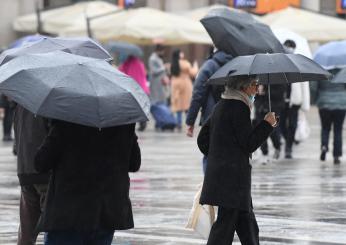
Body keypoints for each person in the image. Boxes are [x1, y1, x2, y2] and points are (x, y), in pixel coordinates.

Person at [197, 76, 276, 245]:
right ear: (243, 87)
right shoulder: (239, 107)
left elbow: (202, 139)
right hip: (234, 180)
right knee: (224, 229)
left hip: (227, 178)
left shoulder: (221, 105)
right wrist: (267, 125)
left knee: (247, 224)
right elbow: (249, 143)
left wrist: (219, 155)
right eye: (254, 85)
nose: (257, 89)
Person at [34, 120, 141, 245]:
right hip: (105, 212)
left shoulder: (67, 121)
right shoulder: (122, 122)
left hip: (68, 213)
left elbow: (41, 163)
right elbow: (134, 164)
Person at [185, 49, 233, 172]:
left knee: (210, 153)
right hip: (233, 116)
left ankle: (209, 186)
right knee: (229, 154)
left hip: (211, 117)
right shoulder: (237, 63)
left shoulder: (209, 65)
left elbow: (198, 94)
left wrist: (190, 121)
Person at [13, 105, 50, 245]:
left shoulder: (23, 101)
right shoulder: (51, 105)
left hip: (25, 170)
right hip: (46, 174)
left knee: (26, 232)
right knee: (54, 227)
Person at [281, 39, 310, 159]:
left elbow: (305, 85)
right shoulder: (280, 63)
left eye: (290, 47)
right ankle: (288, 138)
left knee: (293, 125)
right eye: (287, 46)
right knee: (281, 125)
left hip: (295, 100)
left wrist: (305, 104)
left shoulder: (299, 64)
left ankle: (288, 148)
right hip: (282, 101)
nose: (289, 49)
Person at [310, 69, 346, 164]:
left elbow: (313, 87)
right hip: (341, 103)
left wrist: (315, 100)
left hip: (324, 103)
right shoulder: (343, 71)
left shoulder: (321, 71)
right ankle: (337, 155)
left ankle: (324, 146)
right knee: (338, 130)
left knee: (325, 128)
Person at [254, 83, 286, 163]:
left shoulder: (278, 79)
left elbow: (280, 93)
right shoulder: (258, 79)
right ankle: (264, 152)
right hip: (260, 108)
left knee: (272, 130)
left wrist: (266, 91)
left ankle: (277, 146)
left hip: (274, 107)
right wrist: (257, 90)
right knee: (261, 130)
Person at [119, 55, 150, 131]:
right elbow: (144, 74)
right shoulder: (140, 63)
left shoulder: (127, 63)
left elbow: (121, 72)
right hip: (142, 87)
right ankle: (143, 122)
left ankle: (131, 123)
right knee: (141, 106)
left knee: (131, 106)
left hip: (132, 87)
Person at [170, 49, 198, 130]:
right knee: (187, 105)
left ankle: (179, 123)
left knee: (178, 105)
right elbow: (193, 73)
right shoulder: (185, 63)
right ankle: (189, 122)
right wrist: (195, 66)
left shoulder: (173, 64)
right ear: (179, 54)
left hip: (175, 84)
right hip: (185, 84)